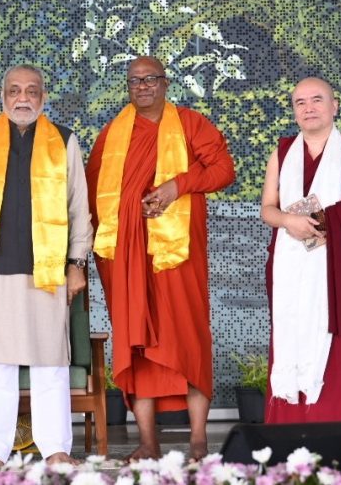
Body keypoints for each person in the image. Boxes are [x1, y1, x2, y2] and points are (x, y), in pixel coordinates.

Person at [86, 56, 235, 461]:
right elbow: (91, 195)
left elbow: (223, 169)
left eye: (150, 79)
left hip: (177, 254)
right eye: (135, 81)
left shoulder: (190, 124)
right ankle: (148, 442)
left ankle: (199, 439)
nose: (143, 87)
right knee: (137, 346)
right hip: (126, 257)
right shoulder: (111, 135)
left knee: (188, 336)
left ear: (165, 83)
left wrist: (177, 186)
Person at [0, 64, 92, 469]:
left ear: (43, 97)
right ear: (3, 96)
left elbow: (79, 207)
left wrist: (76, 262)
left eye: (31, 90)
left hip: (47, 270)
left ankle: (56, 449)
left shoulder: (63, 140)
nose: (23, 98)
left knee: (50, 361)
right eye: (14, 90)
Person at [260, 77, 341, 423]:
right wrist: (289, 221)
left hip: (339, 271)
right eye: (300, 103)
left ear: (334, 106)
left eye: (317, 100)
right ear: (293, 111)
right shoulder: (283, 151)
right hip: (290, 266)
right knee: (292, 337)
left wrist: (321, 220)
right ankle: (290, 431)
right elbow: (267, 209)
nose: (309, 108)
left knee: (338, 351)